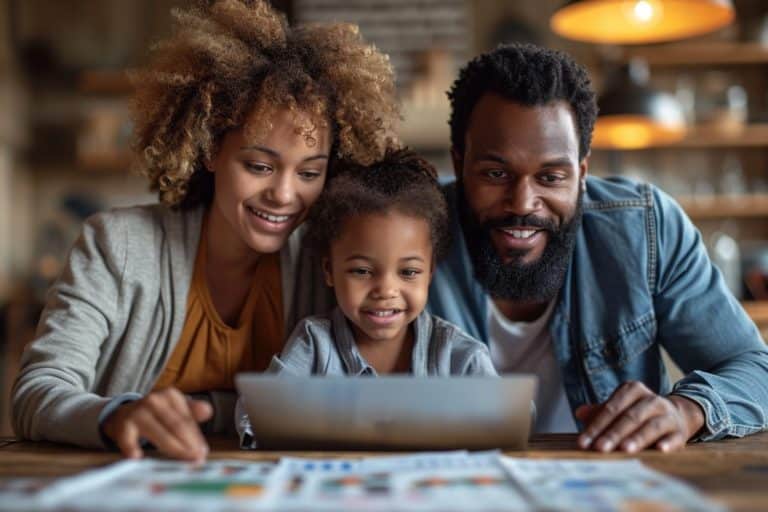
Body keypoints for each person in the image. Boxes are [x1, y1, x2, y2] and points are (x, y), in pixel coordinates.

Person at [12, 0, 398, 462]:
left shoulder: (326, 264)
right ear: (211, 149)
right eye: (259, 165)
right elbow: (36, 391)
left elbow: (341, 402)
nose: (283, 193)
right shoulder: (116, 247)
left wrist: (210, 411)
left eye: (309, 173)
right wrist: (117, 416)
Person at [428, 43, 768, 453]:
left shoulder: (647, 229)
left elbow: (757, 370)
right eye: (496, 173)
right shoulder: (409, 234)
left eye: (551, 177)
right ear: (459, 161)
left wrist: (685, 410)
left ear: (582, 173)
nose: (522, 203)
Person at [235, 148, 497, 447]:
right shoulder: (315, 343)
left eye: (409, 272)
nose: (385, 290)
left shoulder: (457, 354)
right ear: (329, 270)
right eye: (361, 271)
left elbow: (512, 418)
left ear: (430, 273)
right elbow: (256, 414)